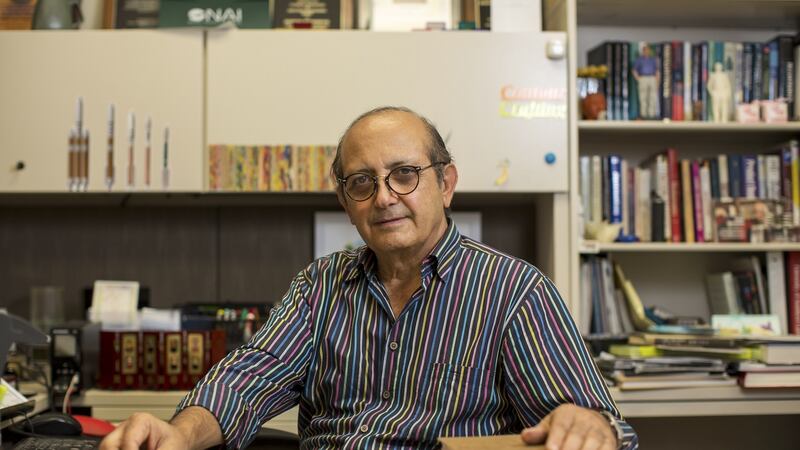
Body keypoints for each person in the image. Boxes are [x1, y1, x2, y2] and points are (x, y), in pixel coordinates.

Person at [100, 107, 638, 450]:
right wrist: (180, 432)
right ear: (346, 202)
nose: (384, 197)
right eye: (362, 182)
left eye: (404, 174)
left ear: (446, 183)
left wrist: (593, 427)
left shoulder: (514, 291)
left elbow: (597, 425)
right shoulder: (321, 285)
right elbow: (247, 379)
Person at [632, 45, 659, 119]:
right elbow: (634, 70)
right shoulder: (639, 60)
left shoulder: (652, 60)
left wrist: (657, 81)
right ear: (643, 51)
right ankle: (643, 115)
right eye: (645, 50)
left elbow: (657, 71)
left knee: (653, 97)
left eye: (647, 50)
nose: (646, 52)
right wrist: (638, 79)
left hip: (652, 78)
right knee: (643, 97)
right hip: (643, 78)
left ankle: (651, 115)